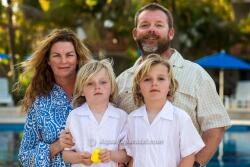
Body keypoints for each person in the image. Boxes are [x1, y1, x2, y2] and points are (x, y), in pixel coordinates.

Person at [115, 3, 231, 166]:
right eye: (145, 25)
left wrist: (195, 164)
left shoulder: (196, 75)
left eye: (159, 25)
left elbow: (215, 127)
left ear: (171, 33)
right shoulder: (121, 81)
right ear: (135, 33)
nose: (151, 30)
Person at [18, 28, 92, 166]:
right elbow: (25, 157)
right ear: (48, 61)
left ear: (77, 59)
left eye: (69, 55)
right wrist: (57, 146)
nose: (63, 61)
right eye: (57, 55)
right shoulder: (39, 103)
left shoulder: (95, 90)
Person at [126, 54, 204, 167]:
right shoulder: (132, 119)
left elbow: (188, 156)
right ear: (139, 87)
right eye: (147, 79)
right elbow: (133, 157)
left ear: (170, 85)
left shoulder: (181, 118)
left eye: (161, 78)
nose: (154, 83)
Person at [62, 59, 129, 166]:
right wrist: (79, 158)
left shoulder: (121, 117)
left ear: (111, 87)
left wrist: (111, 155)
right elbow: (66, 154)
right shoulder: (75, 116)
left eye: (103, 82)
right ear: (81, 91)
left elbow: (126, 154)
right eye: (90, 83)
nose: (97, 87)